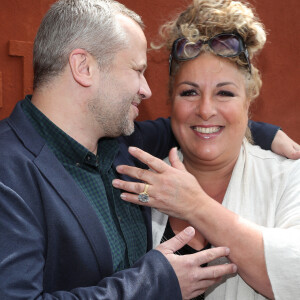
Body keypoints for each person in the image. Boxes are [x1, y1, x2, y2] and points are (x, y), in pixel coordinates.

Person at [0, 0, 298, 299]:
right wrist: (156, 283)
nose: (146, 89)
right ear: (83, 67)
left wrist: (261, 131)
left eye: (225, 93)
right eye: (137, 69)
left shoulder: (124, 147)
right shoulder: (9, 169)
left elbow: (197, 124)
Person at [112, 0, 300, 299]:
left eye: (225, 93)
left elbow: (294, 276)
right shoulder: (139, 180)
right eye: (189, 92)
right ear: (170, 100)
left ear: (249, 100)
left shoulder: (290, 177)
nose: (205, 109)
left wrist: (195, 205)